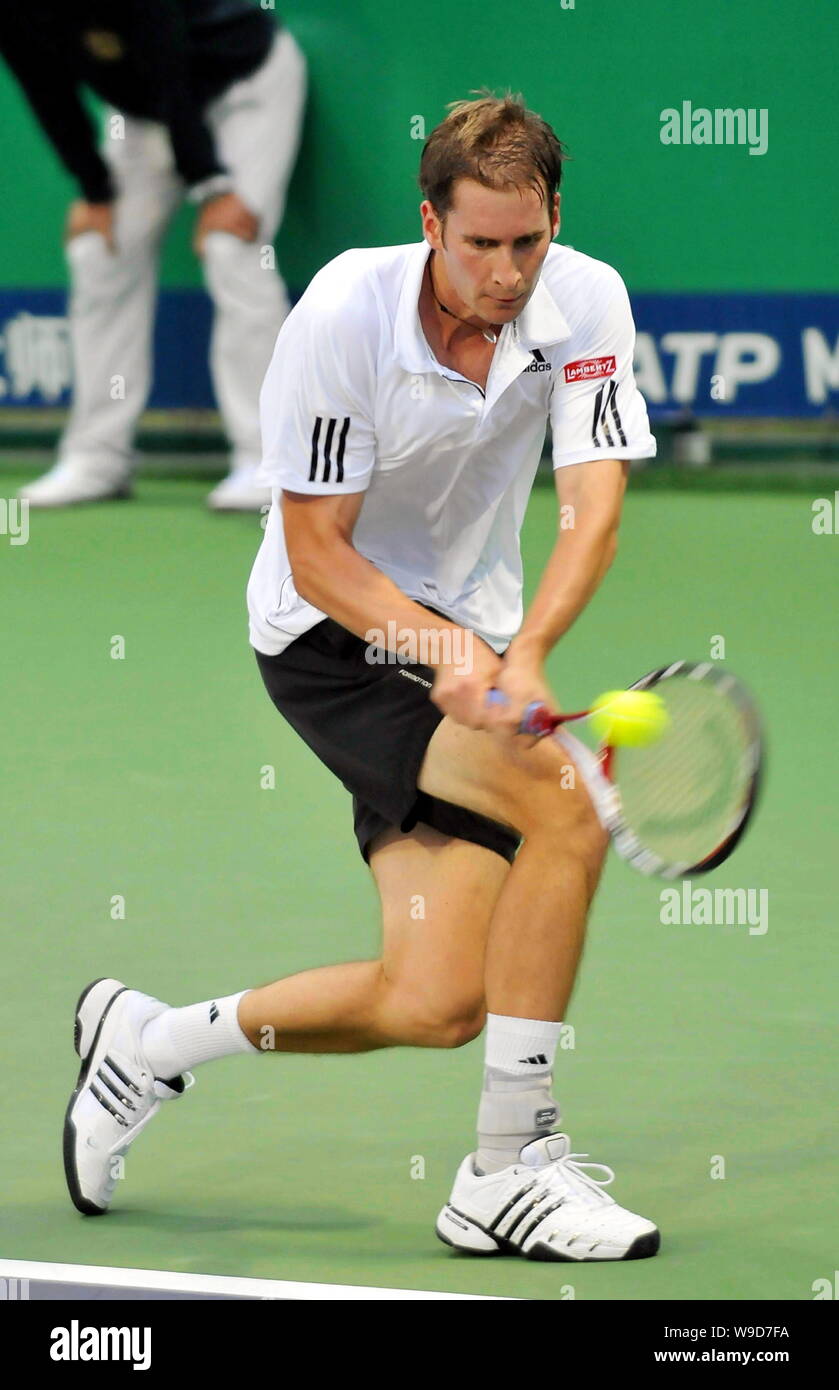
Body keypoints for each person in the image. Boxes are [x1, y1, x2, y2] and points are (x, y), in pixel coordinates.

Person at [64, 92, 662, 1264]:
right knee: (566, 804)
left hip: (472, 626)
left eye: (524, 243)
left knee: (433, 1002)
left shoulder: (584, 300)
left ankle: (147, 1043)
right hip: (330, 636)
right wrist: (446, 660)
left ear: (553, 221)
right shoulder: (344, 309)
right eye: (477, 242)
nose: (502, 271)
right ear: (429, 221)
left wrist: (522, 652)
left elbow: (591, 501)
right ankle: (510, 1166)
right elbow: (317, 551)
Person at [1, 0, 306, 511]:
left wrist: (212, 184)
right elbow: (44, 85)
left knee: (232, 246)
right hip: (145, 112)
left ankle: (266, 460)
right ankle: (96, 458)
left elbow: (170, 68)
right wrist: (94, 189)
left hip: (243, 88)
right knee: (99, 251)